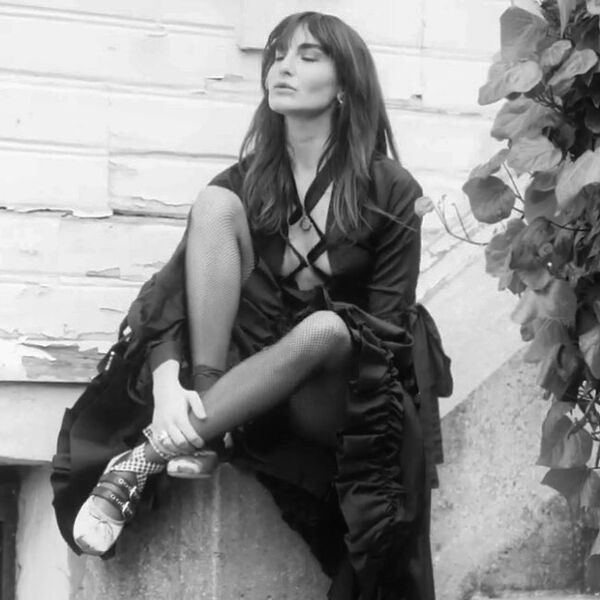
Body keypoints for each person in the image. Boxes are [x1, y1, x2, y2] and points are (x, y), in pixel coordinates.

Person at [51, 11, 452, 600]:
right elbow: (170, 298)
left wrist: (323, 338)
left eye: (308, 57)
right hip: (241, 382)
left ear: (345, 85)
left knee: (324, 328)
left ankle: (148, 455)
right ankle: (206, 428)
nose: (283, 68)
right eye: (278, 54)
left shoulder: (391, 190)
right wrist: (166, 383)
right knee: (213, 206)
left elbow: (388, 332)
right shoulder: (245, 181)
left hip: (339, 398)